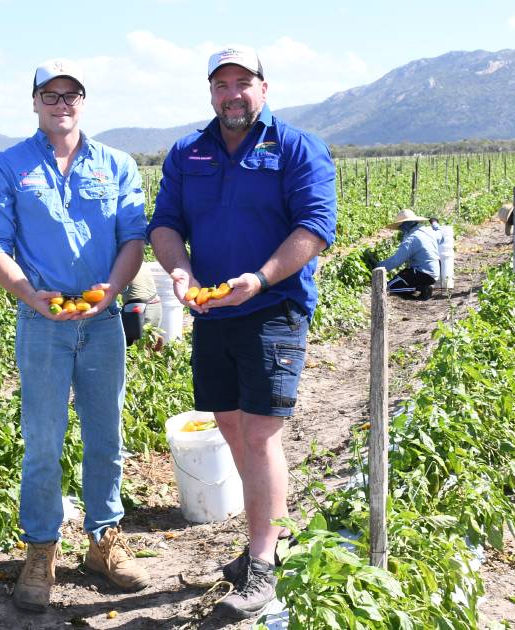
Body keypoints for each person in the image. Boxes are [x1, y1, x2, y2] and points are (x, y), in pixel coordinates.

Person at [148, 45, 336, 619]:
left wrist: (260, 277)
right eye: (221, 85)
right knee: (229, 424)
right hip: (212, 313)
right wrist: (180, 269)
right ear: (211, 93)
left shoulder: (298, 148)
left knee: (259, 435)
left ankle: (261, 565)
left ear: (264, 87)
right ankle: (272, 538)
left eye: (243, 83)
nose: (232, 94)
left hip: (273, 307)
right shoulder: (189, 151)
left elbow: (315, 228)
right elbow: (165, 224)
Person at [0, 58, 149, 613]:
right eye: (50, 95)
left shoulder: (117, 165)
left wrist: (113, 291)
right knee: (43, 442)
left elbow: (132, 240)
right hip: (41, 324)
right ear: (34, 102)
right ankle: (42, 548)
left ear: (83, 101)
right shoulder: (5, 167)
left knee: (106, 435)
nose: (62, 103)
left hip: (101, 322)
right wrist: (31, 296)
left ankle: (104, 541)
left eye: (71, 94)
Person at [376, 209, 440, 300]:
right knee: (398, 278)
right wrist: (435, 223)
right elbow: (440, 235)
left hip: (422, 273)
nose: (400, 228)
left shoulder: (412, 239)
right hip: (433, 272)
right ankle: (422, 287)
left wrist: (378, 267)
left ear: (407, 224)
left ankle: (422, 288)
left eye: (401, 225)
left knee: (388, 288)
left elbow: (397, 260)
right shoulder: (427, 231)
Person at [119, 265, 162, 347]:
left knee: (130, 346)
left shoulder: (120, 263)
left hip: (136, 308)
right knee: (149, 344)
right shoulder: (140, 261)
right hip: (155, 305)